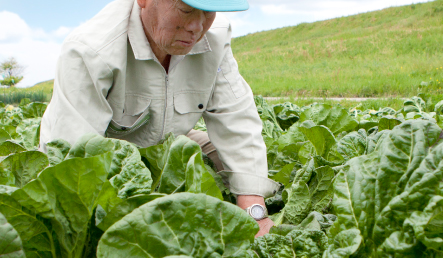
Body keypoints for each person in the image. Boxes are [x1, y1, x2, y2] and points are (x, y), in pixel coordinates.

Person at [39, 0, 278, 236]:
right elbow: (74, 159)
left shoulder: (214, 35)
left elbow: (236, 116)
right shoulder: (91, 49)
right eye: (186, 10)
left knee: (242, 171)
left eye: (208, 12)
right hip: (108, 158)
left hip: (170, 143)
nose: (197, 25)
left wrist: (253, 210)